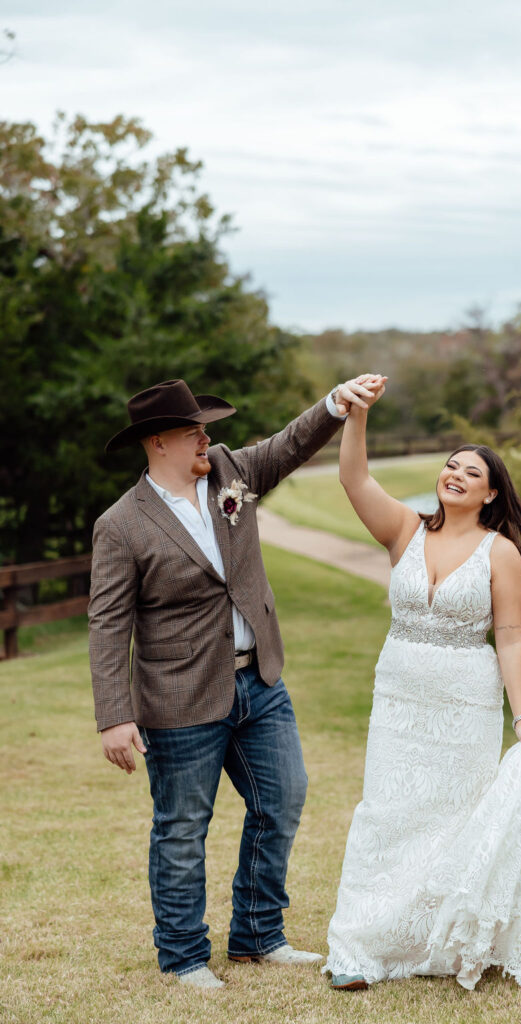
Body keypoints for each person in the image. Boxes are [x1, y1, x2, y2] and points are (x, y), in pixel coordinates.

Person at [88, 375, 377, 989]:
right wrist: (115, 714)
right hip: (180, 700)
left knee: (283, 799)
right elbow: (108, 624)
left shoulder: (227, 474)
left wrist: (335, 402)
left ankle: (257, 936)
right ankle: (185, 956)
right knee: (183, 827)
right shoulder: (120, 526)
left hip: (261, 684)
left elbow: (287, 446)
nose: (206, 437)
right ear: (159, 441)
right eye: (194, 429)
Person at [324, 374, 521, 992]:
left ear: (491, 493)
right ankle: (357, 949)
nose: (454, 474)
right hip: (397, 699)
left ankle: (441, 938)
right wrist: (358, 414)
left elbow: (507, 638)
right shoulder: (404, 531)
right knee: (384, 816)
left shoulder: (501, 554)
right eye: (450, 466)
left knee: (451, 819)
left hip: (465, 705)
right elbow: (354, 479)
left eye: (470, 472)